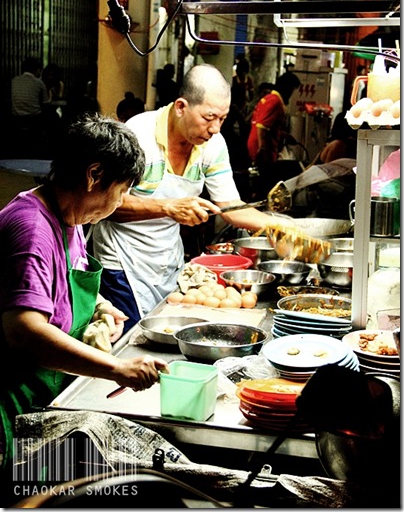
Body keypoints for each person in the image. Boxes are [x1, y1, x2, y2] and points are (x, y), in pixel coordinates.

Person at [0, 113, 169, 480]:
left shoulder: (72, 218)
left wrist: (101, 306)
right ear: (94, 175)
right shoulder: (32, 228)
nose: (121, 200)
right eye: (122, 189)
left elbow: (62, 282)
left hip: (47, 399)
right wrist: (116, 368)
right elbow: (23, 329)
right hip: (11, 409)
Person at [91, 64, 279, 321]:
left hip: (168, 259)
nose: (215, 128)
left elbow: (230, 206)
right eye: (209, 118)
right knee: (128, 335)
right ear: (181, 107)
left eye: (222, 119)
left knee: (164, 328)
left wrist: (282, 226)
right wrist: (168, 208)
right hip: (121, 261)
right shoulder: (138, 135)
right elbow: (104, 203)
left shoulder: (213, 145)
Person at [247, 71, 301, 197]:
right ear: (288, 88)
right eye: (292, 90)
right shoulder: (274, 101)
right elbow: (262, 127)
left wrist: (284, 135)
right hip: (264, 149)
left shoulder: (270, 99)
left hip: (263, 147)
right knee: (265, 186)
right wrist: (262, 149)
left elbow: (269, 126)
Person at [10, 56, 51, 158]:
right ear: (37, 70)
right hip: (34, 120)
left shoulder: (14, 80)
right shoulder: (39, 83)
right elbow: (46, 104)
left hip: (16, 119)